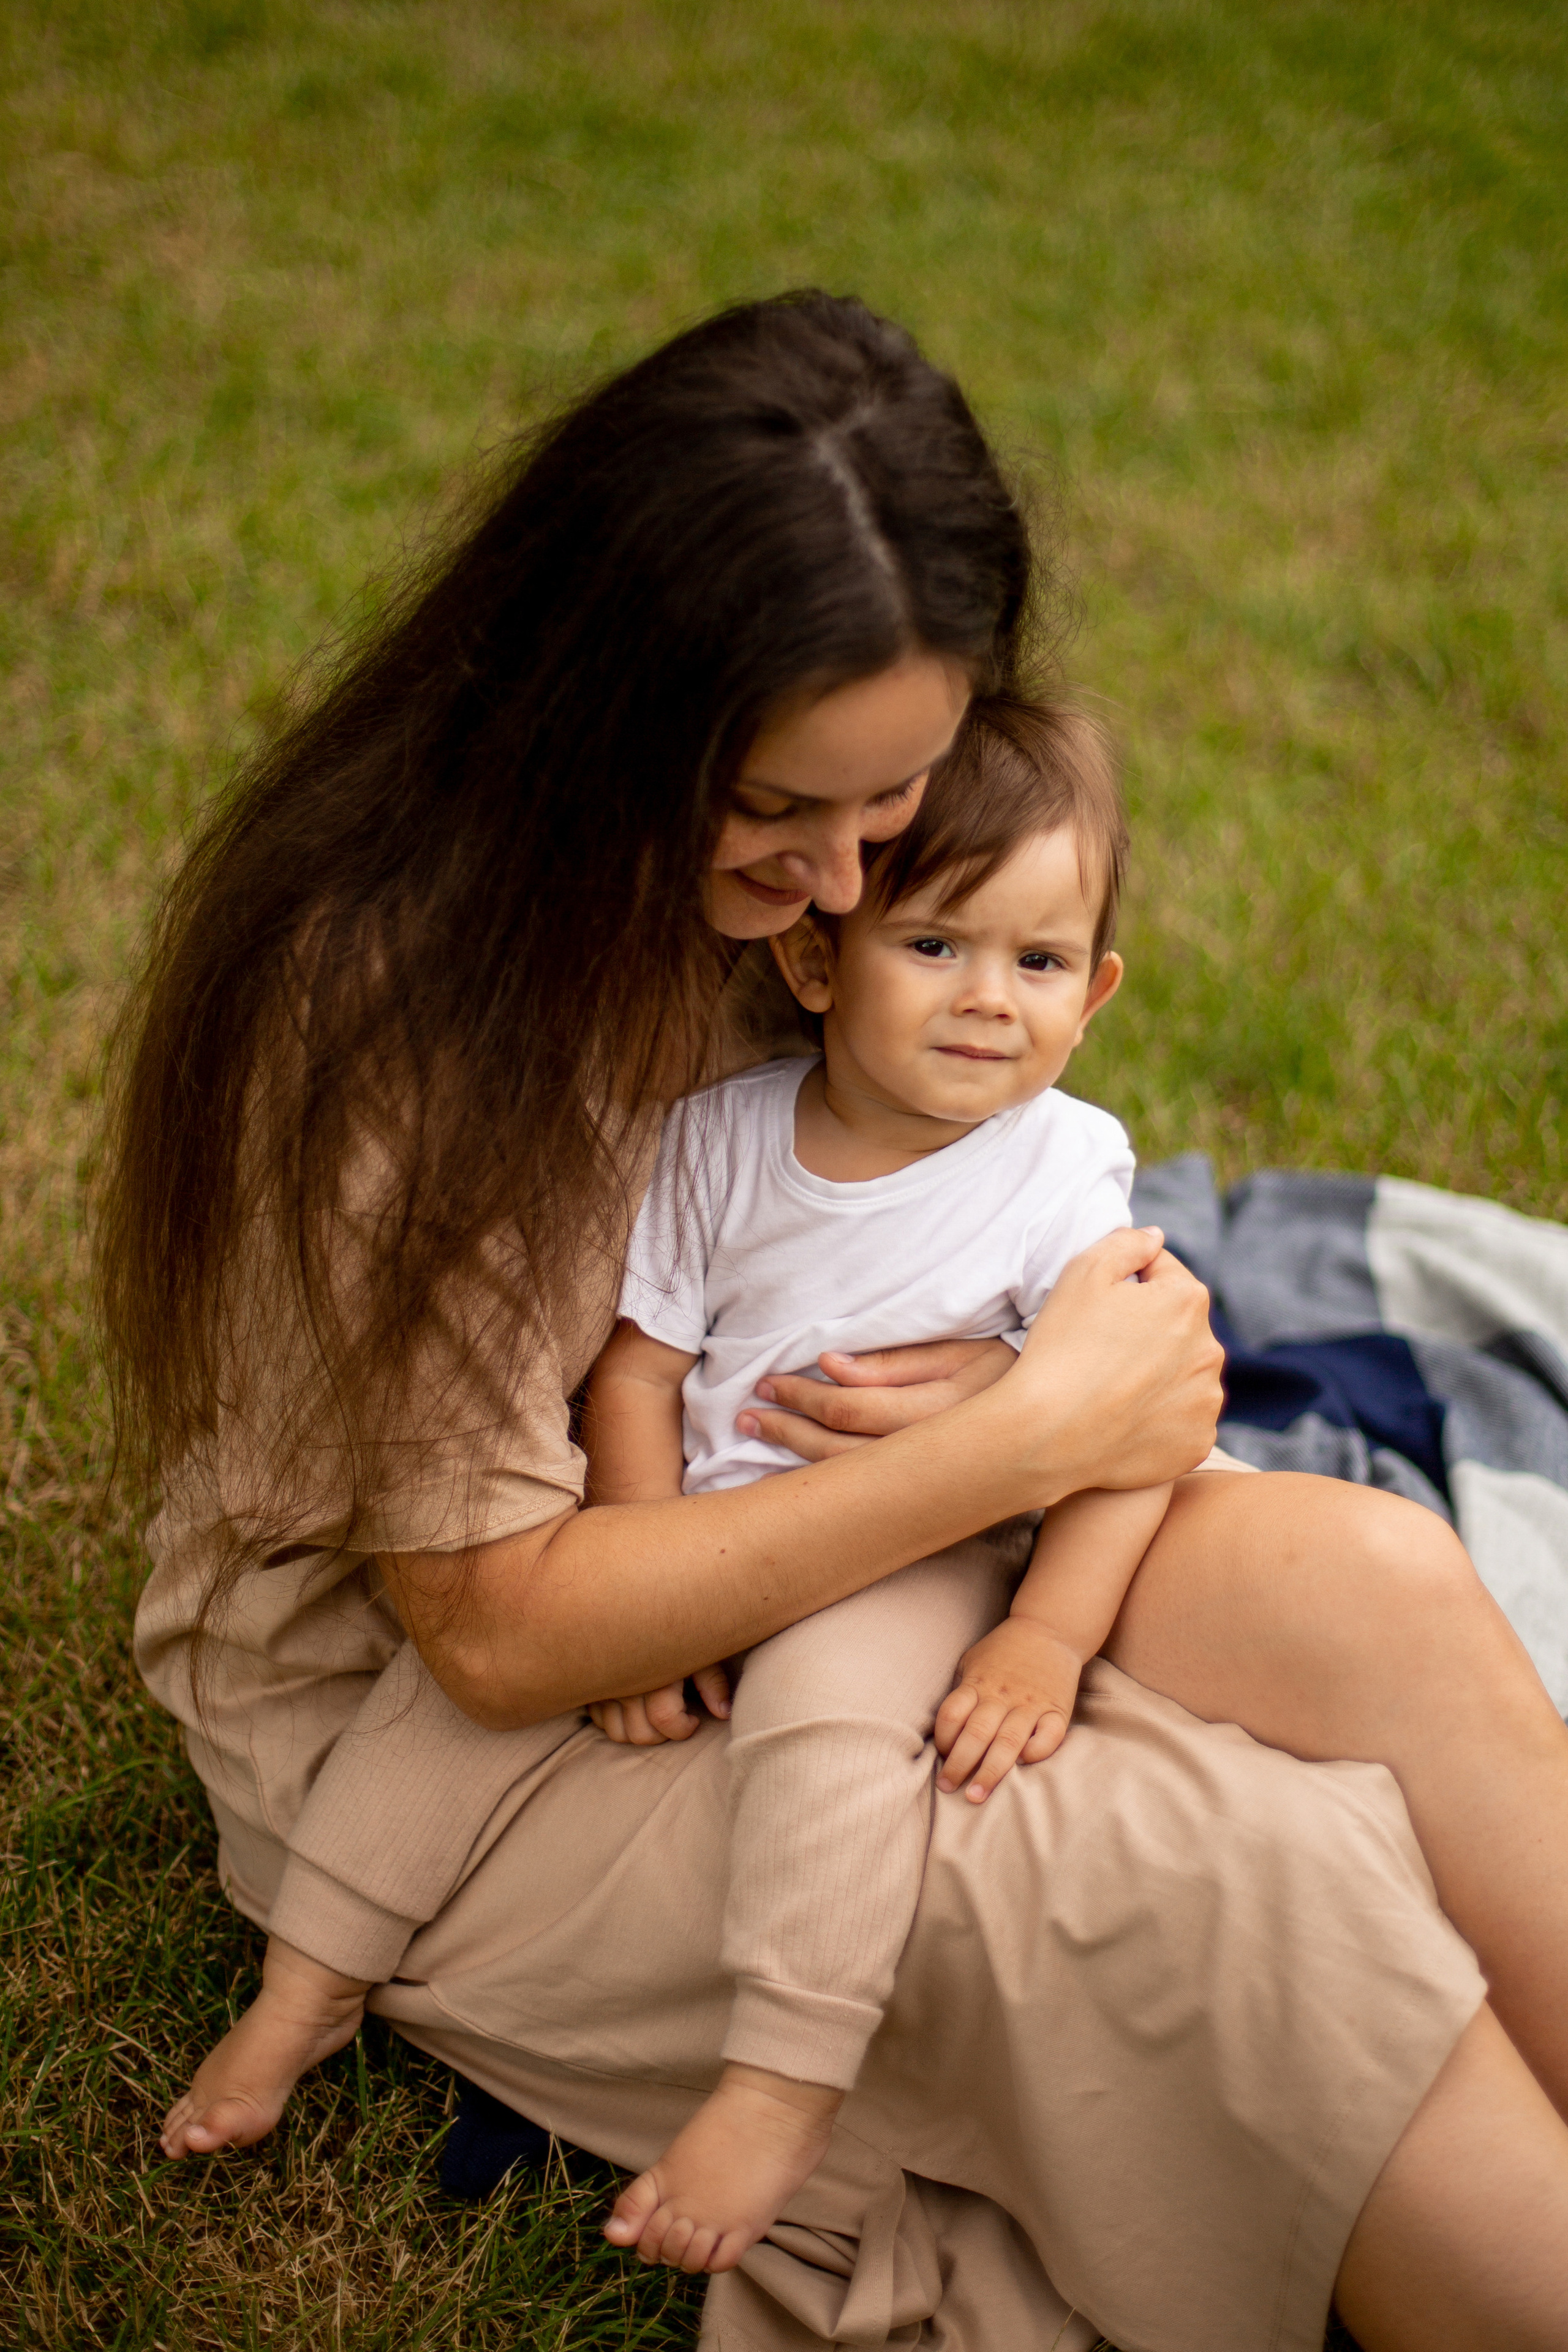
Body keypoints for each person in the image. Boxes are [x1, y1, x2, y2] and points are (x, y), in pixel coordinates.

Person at [110, 292, 1568, 2351]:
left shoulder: (828, 889)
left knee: (1375, 1588)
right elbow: (502, 1630)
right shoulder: (394, 1022)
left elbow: (929, 1210)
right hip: (493, 1708)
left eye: (889, 815)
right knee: (1214, 1892)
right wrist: (1025, 1443)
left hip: (832, 1497)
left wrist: (1019, 1379)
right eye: (793, 814)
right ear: (600, 722)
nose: (841, 886)